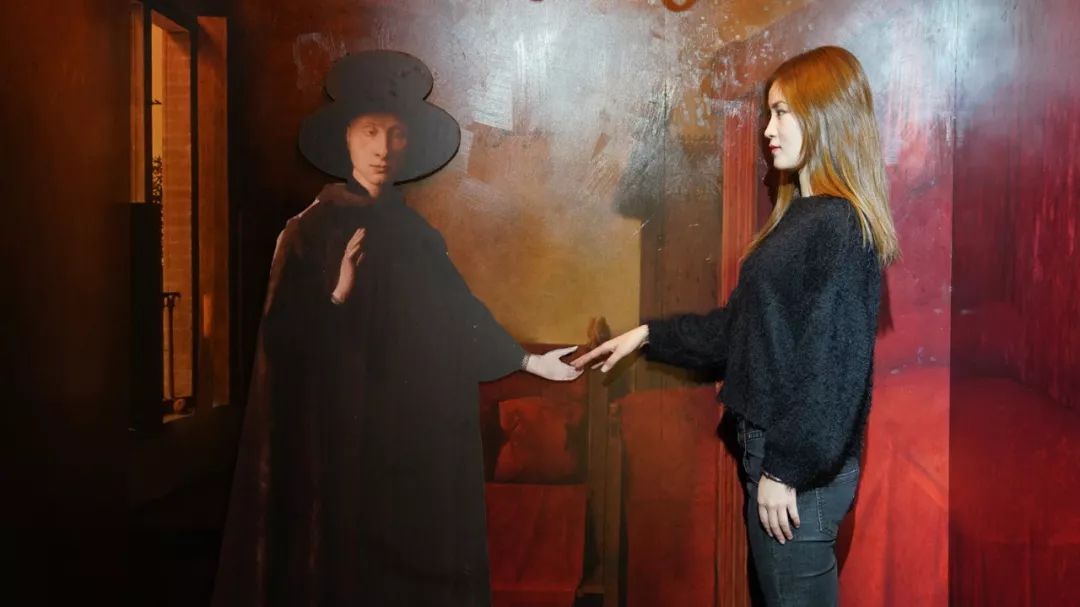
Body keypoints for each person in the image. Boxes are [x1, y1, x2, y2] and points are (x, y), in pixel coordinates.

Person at [212, 50, 581, 607]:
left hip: (408, 443)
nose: (382, 148)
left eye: (395, 133)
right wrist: (338, 294)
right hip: (338, 447)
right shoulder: (306, 234)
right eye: (369, 132)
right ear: (345, 140)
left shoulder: (416, 235)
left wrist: (529, 362)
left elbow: (457, 314)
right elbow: (281, 349)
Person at [572, 46, 899, 606]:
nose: (767, 129)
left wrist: (785, 471)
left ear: (826, 117)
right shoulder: (802, 217)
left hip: (796, 471)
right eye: (769, 113)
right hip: (779, 458)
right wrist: (649, 335)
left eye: (783, 112)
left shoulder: (839, 226)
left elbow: (831, 371)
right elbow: (743, 329)